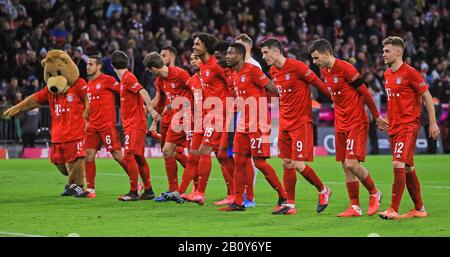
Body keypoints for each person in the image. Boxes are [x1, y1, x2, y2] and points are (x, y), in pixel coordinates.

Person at [309, 39, 387, 217]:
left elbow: (365, 93)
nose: (314, 62)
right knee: (345, 165)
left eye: (316, 58)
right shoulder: (324, 71)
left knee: (352, 163)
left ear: (327, 53)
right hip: (340, 122)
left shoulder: (346, 69)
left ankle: (375, 192)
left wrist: (376, 117)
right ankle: (355, 206)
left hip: (356, 121)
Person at [259, 38, 332, 215]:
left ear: (277, 52)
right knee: (286, 163)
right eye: (262, 53)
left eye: (266, 52)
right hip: (285, 123)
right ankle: (290, 205)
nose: (263, 57)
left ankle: (323, 190)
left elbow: (319, 85)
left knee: (298, 164)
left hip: (300, 122)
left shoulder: (298, 67)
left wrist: (338, 98)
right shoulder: (273, 70)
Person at [219, 42, 287, 212]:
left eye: (230, 53)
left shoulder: (253, 70)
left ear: (240, 55)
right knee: (239, 160)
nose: (227, 56)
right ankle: (238, 201)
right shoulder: (234, 75)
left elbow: (272, 88)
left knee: (260, 162)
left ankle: (283, 197)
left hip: (258, 124)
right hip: (243, 124)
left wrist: (287, 104)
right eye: (227, 53)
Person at [378, 36, 440, 219]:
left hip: (408, 126)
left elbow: (427, 96)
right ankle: (419, 209)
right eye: (383, 51)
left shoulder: (411, 73)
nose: (384, 54)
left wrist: (433, 122)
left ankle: (392, 209)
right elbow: (392, 101)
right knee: (408, 167)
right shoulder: (387, 74)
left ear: (399, 51)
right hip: (394, 128)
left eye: (387, 51)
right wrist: (387, 119)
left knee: (398, 163)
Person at [83, 55, 142, 198]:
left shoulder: (108, 80)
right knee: (88, 155)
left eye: (91, 64)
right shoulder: (89, 85)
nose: (88, 66)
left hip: (106, 125)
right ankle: (90, 189)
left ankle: (137, 183)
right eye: (87, 64)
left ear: (99, 66)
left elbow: (125, 91)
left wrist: (137, 107)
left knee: (117, 155)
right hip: (93, 126)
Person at [188, 32, 234, 205]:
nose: (194, 47)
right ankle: (233, 193)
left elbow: (231, 84)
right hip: (210, 116)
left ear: (206, 47)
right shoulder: (205, 66)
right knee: (222, 156)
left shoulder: (215, 65)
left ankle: (200, 193)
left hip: (219, 115)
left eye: (198, 44)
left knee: (204, 151)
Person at [142, 52, 192, 202]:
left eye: (149, 70)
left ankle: (194, 190)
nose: (150, 73)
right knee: (167, 151)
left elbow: (194, 91)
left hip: (188, 116)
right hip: (175, 118)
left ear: (153, 68)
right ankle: (173, 189)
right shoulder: (159, 81)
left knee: (194, 153)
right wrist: (148, 109)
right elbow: (158, 98)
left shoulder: (180, 74)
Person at [111, 50, 160, 201]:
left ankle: (133, 191)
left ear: (112, 66)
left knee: (129, 154)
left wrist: (150, 109)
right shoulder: (123, 80)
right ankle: (149, 190)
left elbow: (143, 91)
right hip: (131, 123)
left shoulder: (128, 78)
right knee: (138, 157)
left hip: (135, 123)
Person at [234, 33, 263, 208]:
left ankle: (250, 196)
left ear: (248, 47)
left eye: (240, 47)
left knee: (252, 159)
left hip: (254, 116)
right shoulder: (238, 67)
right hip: (240, 115)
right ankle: (241, 193)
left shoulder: (254, 66)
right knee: (239, 157)